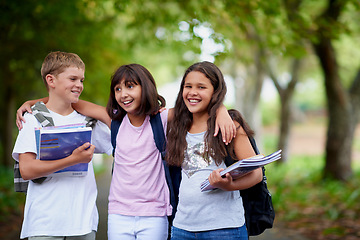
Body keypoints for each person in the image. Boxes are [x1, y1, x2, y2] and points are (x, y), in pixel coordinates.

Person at [16, 63, 236, 240]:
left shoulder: (161, 120)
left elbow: (195, 103)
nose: (123, 94)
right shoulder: (115, 122)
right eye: (118, 89)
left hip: (155, 214)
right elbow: (73, 103)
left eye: (130, 86)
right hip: (118, 213)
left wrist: (222, 110)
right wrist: (35, 102)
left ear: (145, 88)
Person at [12, 51, 112, 240]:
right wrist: (73, 160)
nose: (79, 85)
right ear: (51, 80)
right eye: (73, 78)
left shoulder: (89, 121)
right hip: (44, 224)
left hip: (83, 223)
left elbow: (120, 135)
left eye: (82, 80)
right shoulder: (32, 119)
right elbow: (26, 169)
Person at [166, 61, 263, 240]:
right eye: (188, 86)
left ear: (215, 92)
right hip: (182, 228)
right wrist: (221, 108)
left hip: (225, 229)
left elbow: (256, 174)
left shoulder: (230, 126)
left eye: (201, 87)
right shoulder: (176, 122)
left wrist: (228, 185)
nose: (193, 92)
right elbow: (150, 113)